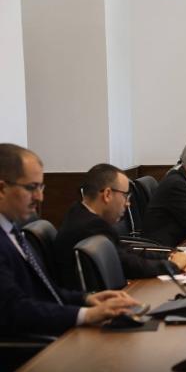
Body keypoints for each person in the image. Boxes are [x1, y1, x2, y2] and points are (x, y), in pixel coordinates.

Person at [0, 144, 139, 336]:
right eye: (31, 187)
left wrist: (87, 299)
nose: (40, 197)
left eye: (41, 187)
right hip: (31, 347)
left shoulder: (12, 230)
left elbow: (44, 291)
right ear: (2, 189)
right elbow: (15, 310)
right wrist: (86, 314)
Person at [54, 164, 186, 290]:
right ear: (107, 194)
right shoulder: (90, 226)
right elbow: (128, 264)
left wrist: (170, 256)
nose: (128, 203)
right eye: (125, 196)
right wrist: (173, 266)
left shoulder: (80, 213)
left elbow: (126, 251)